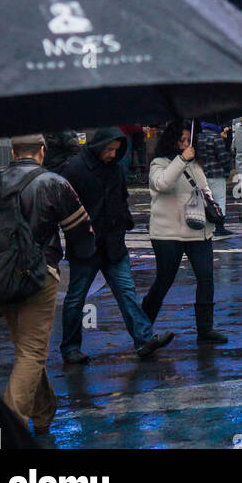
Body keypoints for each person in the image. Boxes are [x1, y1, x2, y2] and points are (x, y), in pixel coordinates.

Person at [0, 133, 93, 438]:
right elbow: (82, 233)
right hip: (40, 275)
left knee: (26, 348)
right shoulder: (54, 183)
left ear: (12, 152)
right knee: (31, 353)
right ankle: (8, 432)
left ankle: (43, 412)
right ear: (41, 151)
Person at [59, 127, 174, 364]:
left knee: (126, 293)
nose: (113, 154)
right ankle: (70, 347)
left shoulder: (114, 169)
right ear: (98, 146)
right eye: (110, 149)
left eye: (116, 150)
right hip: (86, 244)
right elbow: (62, 205)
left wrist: (124, 221)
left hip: (112, 242)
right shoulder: (75, 169)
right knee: (76, 297)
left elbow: (121, 199)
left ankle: (144, 339)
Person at [141, 120, 227, 345]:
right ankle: (142, 328)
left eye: (189, 141)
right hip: (168, 234)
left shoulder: (194, 162)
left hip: (198, 231)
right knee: (164, 280)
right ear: (172, 141)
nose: (186, 145)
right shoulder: (159, 163)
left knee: (206, 277)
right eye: (182, 141)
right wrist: (181, 160)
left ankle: (205, 329)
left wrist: (212, 204)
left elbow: (204, 187)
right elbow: (163, 184)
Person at [196, 121, 233, 236]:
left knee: (205, 200)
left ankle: (206, 225)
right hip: (216, 173)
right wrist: (227, 167)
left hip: (201, 173)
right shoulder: (216, 138)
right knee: (219, 199)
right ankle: (220, 226)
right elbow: (223, 157)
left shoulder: (197, 138)